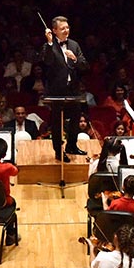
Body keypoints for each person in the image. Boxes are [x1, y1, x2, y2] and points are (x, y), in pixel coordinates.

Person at [41, 15, 89, 161]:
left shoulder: (74, 45)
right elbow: (47, 62)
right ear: (54, 30)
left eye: (67, 27)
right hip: (56, 91)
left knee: (75, 118)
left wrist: (75, 58)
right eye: (62, 28)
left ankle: (71, 146)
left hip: (73, 90)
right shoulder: (48, 46)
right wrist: (49, 43)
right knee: (57, 123)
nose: (66, 30)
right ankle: (58, 151)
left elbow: (85, 66)